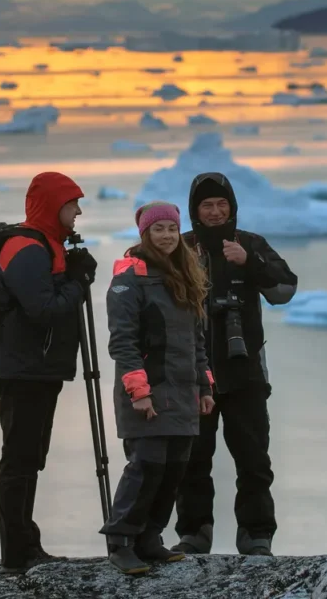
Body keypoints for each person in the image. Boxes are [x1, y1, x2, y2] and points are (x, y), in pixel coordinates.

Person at [173, 173, 297, 557]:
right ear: (195, 211)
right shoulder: (180, 247)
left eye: (221, 204)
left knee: (254, 460)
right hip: (193, 374)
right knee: (192, 461)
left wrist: (250, 263)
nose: (214, 211)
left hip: (245, 373)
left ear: (232, 207)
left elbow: (285, 290)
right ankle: (195, 534)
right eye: (206, 205)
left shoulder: (250, 244)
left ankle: (256, 535)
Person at [0, 171, 98, 572]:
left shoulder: (48, 244)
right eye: (72, 204)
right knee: (19, 458)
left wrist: (71, 273)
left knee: (30, 456)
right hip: (23, 369)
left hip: (35, 366)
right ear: (54, 205)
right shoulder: (26, 247)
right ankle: (16, 552)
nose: (78, 211)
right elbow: (42, 308)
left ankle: (25, 543)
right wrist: (79, 281)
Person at [102, 201, 214, 575]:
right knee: (147, 466)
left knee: (174, 469)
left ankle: (150, 538)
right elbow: (123, 342)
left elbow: (196, 339)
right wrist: (139, 392)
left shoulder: (185, 272)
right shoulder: (129, 278)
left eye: (171, 228)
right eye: (158, 229)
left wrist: (205, 385)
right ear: (145, 233)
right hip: (149, 391)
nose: (166, 236)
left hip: (183, 391)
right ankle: (121, 542)